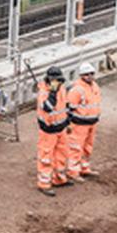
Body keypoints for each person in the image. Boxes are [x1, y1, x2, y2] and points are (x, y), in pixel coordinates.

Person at [34, 67, 70, 196]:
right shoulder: (44, 92)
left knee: (61, 154)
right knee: (46, 157)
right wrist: (53, 93)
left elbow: (65, 106)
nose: (58, 82)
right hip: (48, 131)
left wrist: (67, 122)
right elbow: (48, 107)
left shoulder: (62, 89)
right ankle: (44, 184)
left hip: (61, 128)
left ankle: (59, 178)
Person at [64, 61, 102, 181]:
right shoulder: (77, 90)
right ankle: (73, 171)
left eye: (91, 73)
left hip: (92, 122)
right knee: (75, 148)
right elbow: (69, 108)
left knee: (87, 147)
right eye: (87, 74)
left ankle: (84, 168)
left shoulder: (95, 86)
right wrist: (68, 124)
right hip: (79, 124)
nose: (90, 76)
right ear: (81, 76)